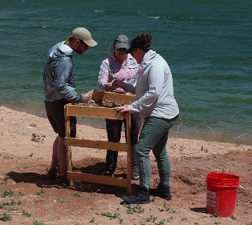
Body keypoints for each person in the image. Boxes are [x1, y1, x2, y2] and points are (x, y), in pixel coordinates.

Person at [115, 33, 179, 204]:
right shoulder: (148, 63)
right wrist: (122, 85)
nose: (130, 57)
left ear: (138, 50)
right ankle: (164, 190)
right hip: (162, 113)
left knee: (141, 149)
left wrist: (131, 107)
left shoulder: (156, 64)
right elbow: (140, 89)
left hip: (161, 114)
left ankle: (143, 193)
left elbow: (154, 92)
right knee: (159, 152)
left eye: (132, 53)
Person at [43, 27, 96, 183]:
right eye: (85, 46)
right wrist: (80, 98)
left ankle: (53, 169)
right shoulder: (65, 59)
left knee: (61, 137)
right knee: (65, 139)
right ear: (77, 42)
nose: (86, 49)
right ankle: (64, 176)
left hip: (50, 100)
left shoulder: (55, 48)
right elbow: (61, 86)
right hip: (60, 103)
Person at [97, 34, 140, 179]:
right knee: (113, 137)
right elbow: (101, 81)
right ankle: (110, 168)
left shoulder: (135, 61)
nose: (122, 51)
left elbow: (141, 79)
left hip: (133, 102)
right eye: (119, 48)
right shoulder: (107, 63)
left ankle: (134, 168)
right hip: (114, 102)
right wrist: (107, 85)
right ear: (113, 48)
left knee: (133, 137)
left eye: (124, 49)